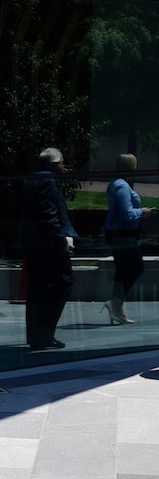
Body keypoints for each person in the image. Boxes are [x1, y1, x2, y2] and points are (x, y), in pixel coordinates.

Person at [20, 148, 77, 350]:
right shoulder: (48, 182)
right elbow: (49, 215)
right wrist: (61, 240)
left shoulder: (30, 181)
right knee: (62, 284)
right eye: (61, 162)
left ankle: (36, 335)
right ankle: (45, 333)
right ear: (54, 165)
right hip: (50, 247)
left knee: (36, 290)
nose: (63, 165)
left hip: (34, 246)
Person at [104, 153, 151, 325]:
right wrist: (142, 212)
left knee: (124, 269)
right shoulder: (121, 186)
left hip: (118, 233)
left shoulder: (117, 184)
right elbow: (126, 213)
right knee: (135, 267)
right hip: (122, 234)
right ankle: (116, 303)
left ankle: (116, 306)